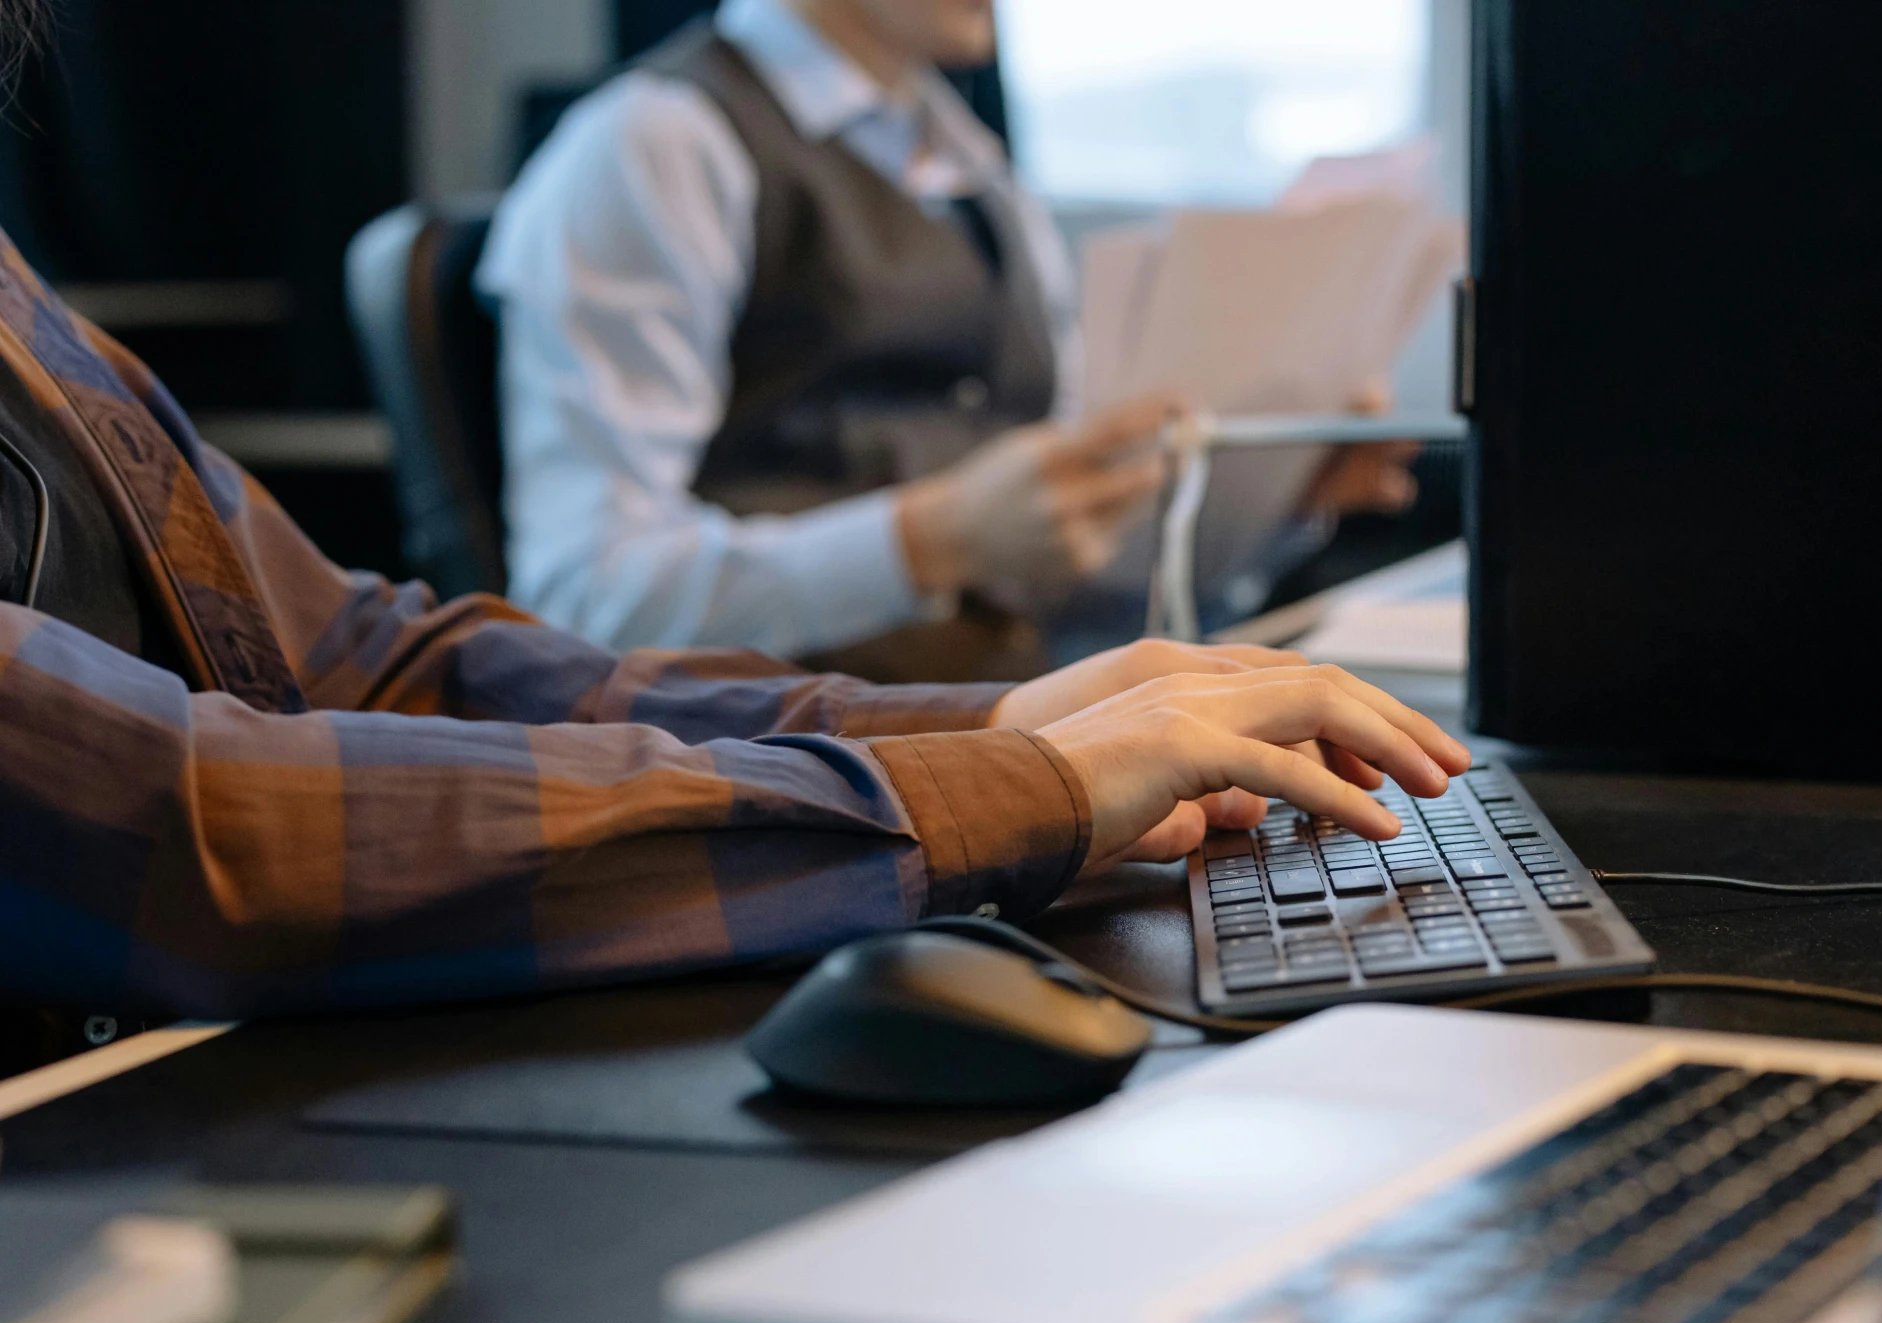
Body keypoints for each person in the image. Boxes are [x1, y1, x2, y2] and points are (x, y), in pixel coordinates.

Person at [0, 205, 1466, 1051]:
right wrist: (999, 772)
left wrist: (1000, 728)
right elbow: (180, 823)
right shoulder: (651, 159)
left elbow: (361, 661)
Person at [479, 0, 1417, 676]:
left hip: (1020, 733)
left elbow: (1074, 590)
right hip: (802, 778)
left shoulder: (980, 173)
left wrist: (1281, 507)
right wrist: (935, 539)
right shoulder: (655, 148)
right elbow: (583, 595)